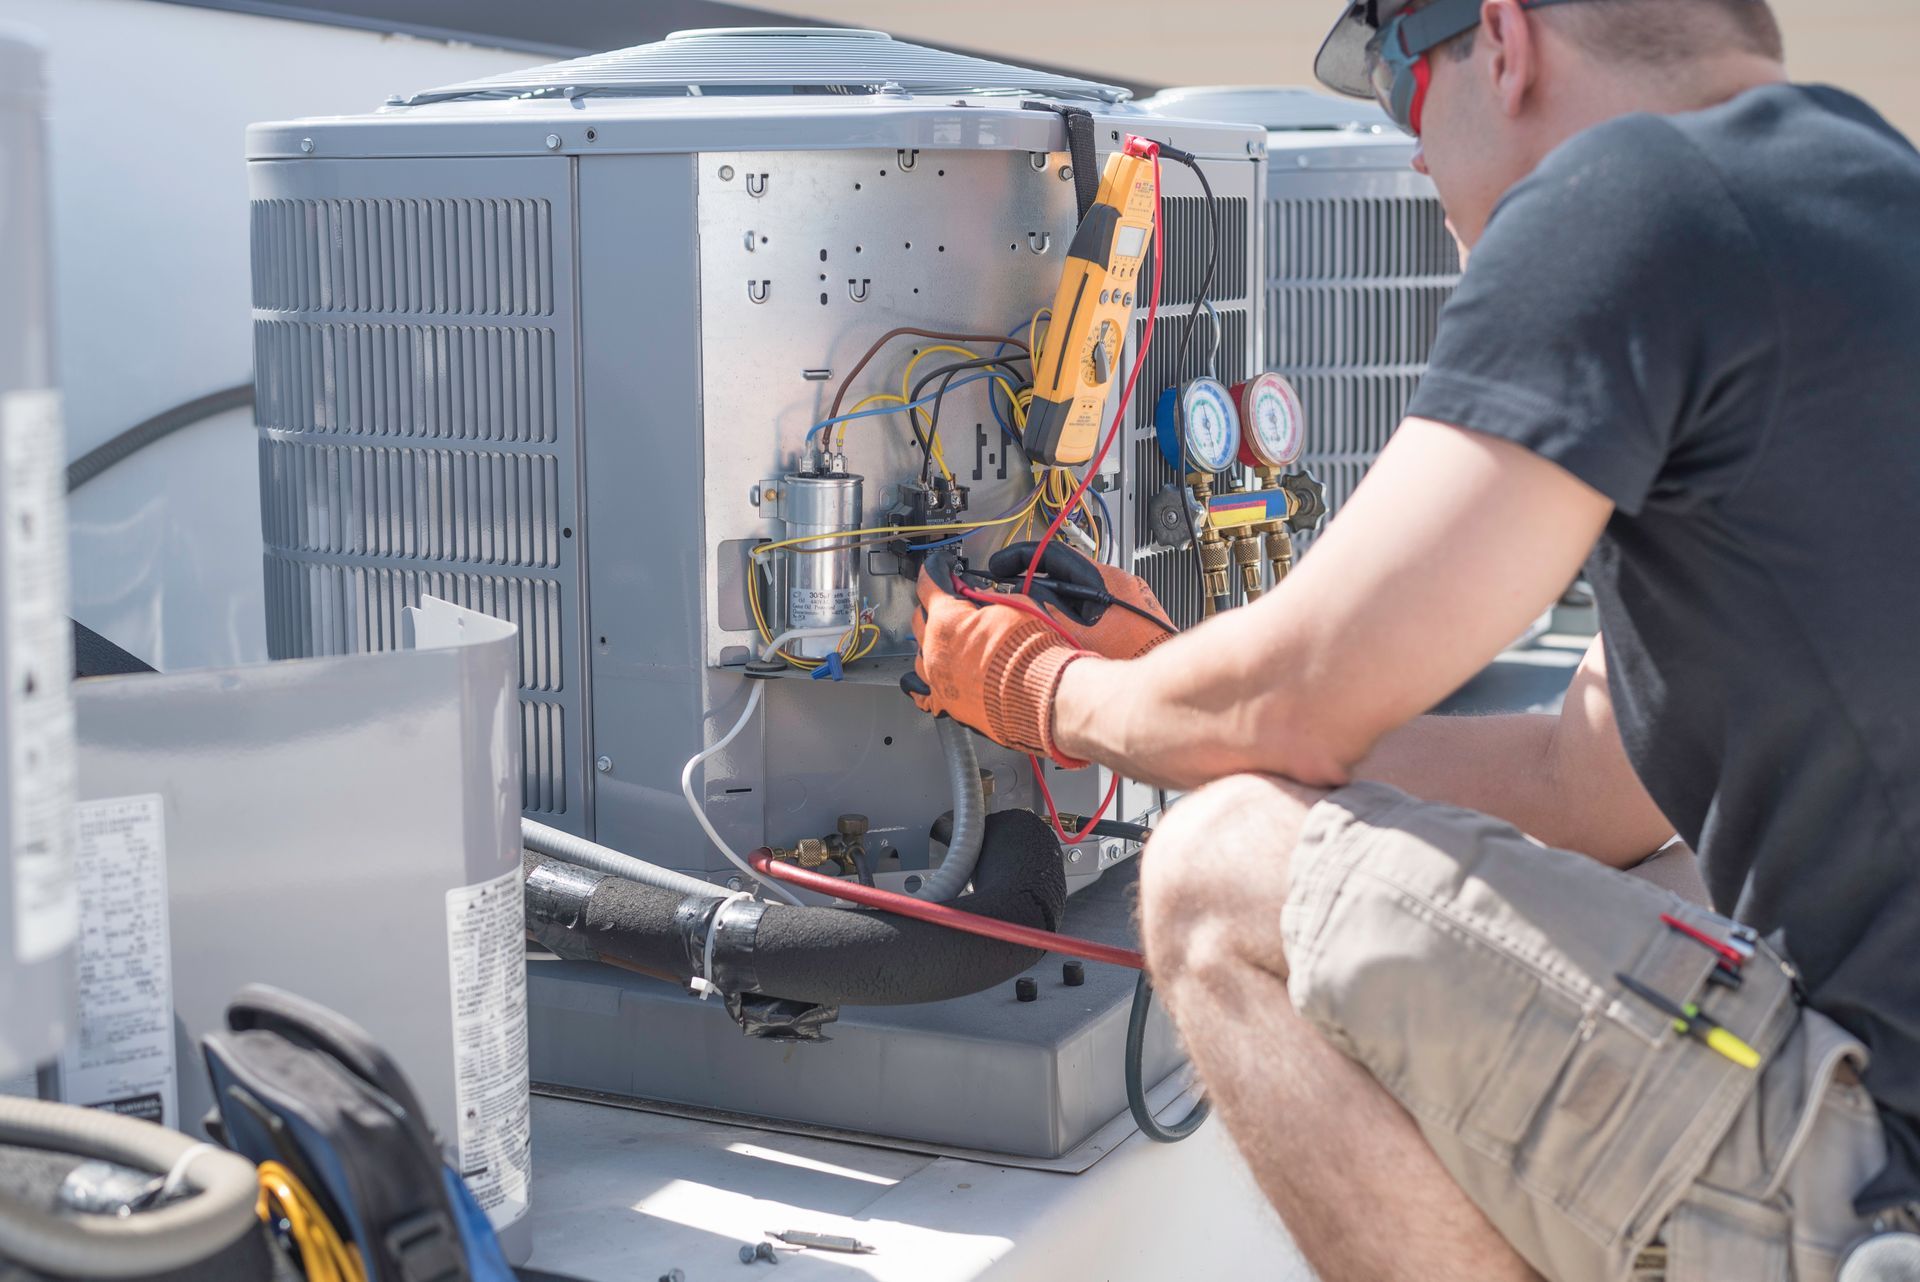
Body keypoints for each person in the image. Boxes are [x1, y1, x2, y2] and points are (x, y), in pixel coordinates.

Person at [902, 0, 1920, 1277]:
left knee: (1219, 877)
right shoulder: (1865, 189)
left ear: (1502, 39)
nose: (1413, 151)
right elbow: (1584, 784)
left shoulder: (1633, 196)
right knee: (1649, 872)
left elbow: (1295, 703)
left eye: (1396, 82)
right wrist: (1174, 672)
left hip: (1880, 1165)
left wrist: (1039, 686)